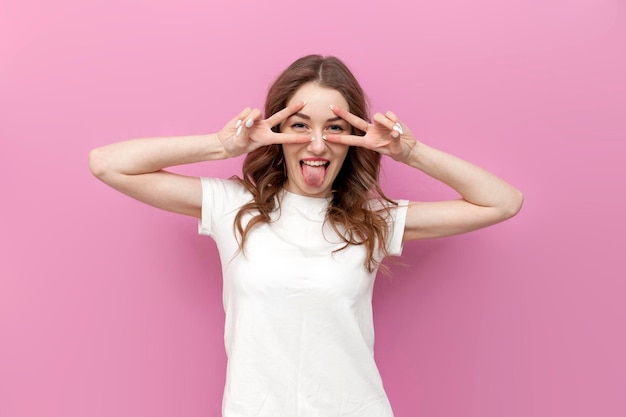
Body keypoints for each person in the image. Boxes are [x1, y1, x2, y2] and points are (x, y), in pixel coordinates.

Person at [89, 54, 523, 417]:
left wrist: (411, 152)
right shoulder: (234, 207)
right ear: (277, 133)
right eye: (299, 125)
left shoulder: (374, 220)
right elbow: (108, 164)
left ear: (354, 137)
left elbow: (502, 202)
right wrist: (222, 146)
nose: (317, 144)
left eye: (334, 127)